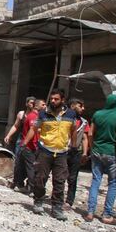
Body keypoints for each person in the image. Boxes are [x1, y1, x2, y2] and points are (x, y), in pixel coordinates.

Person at [22, 88, 77, 220]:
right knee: (40, 178)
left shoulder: (71, 114)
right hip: (45, 150)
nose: (53, 101)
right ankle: (38, 201)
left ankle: (57, 208)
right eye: (51, 99)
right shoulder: (43, 114)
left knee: (59, 181)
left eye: (56, 99)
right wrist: (24, 143)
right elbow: (33, 128)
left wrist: (74, 146)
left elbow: (73, 130)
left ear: (62, 100)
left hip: (62, 153)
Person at [84, 94, 116, 224]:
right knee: (113, 184)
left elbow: (91, 133)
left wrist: (92, 148)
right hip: (112, 154)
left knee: (96, 181)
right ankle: (106, 214)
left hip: (97, 152)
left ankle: (90, 212)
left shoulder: (97, 115)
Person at [13, 98, 45, 193]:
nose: (45, 107)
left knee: (23, 166)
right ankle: (32, 188)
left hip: (30, 146)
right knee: (31, 168)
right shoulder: (33, 117)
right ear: (37, 106)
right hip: (30, 146)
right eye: (43, 105)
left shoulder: (36, 116)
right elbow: (32, 131)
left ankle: (20, 184)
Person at [66, 97, 89, 208]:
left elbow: (84, 138)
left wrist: (85, 153)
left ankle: (69, 201)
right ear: (72, 106)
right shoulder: (63, 119)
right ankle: (57, 198)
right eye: (80, 106)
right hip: (63, 150)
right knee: (59, 175)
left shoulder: (84, 122)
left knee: (73, 177)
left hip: (76, 152)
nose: (83, 109)